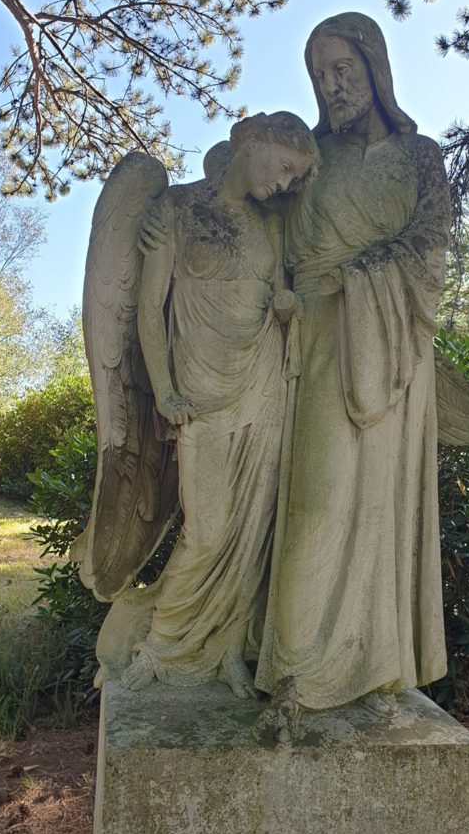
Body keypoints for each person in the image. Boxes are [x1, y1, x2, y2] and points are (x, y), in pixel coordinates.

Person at [255, 13, 452, 739]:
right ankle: (296, 672)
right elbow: (264, 228)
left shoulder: (421, 159)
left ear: (375, 67)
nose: (332, 84)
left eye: (343, 68)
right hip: (314, 345)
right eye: (320, 74)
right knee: (316, 503)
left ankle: (373, 673)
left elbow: (430, 248)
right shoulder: (315, 161)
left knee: (380, 514)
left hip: (392, 350)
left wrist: (359, 283)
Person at [95, 111, 320, 698]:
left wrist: (286, 305)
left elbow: (281, 295)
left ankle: (223, 651)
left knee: (252, 531)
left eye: (297, 177)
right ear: (254, 140)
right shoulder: (174, 210)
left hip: (262, 385)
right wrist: (164, 387)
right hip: (198, 395)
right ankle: (161, 645)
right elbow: (149, 309)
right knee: (208, 530)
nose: (285, 184)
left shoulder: (272, 228)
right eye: (285, 167)